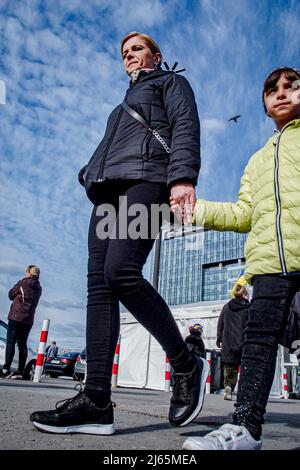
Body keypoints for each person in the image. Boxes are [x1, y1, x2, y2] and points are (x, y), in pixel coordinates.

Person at [30, 32, 209, 435]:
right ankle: (95, 400)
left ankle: (185, 364)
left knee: (122, 272)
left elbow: (184, 126)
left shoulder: (170, 83)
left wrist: (182, 177)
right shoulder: (119, 106)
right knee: (99, 287)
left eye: (137, 49)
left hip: (147, 182)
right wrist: (89, 172)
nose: (129, 56)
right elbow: (111, 146)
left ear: (156, 55)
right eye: (125, 52)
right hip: (108, 192)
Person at [171, 66, 300, 450]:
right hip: (268, 263)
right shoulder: (256, 161)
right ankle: (244, 427)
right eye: (272, 89)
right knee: (259, 342)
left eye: (292, 86)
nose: (281, 93)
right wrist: (199, 211)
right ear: (263, 104)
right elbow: (244, 214)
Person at [0, 265, 42, 380]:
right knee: (22, 344)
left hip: (16, 316)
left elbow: (10, 295)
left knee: (11, 342)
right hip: (28, 319)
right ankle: (20, 371)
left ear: (29, 273)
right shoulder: (39, 288)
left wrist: (20, 284)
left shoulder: (22, 283)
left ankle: (6, 369)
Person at [216, 285, 249, 401]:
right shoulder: (248, 308)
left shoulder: (226, 306)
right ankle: (245, 393)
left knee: (230, 368)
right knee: (245, 367)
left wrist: (219, 339)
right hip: (243, 342)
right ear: (244, 294)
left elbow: (220, 324)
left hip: (228, 342)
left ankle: (228, 387)